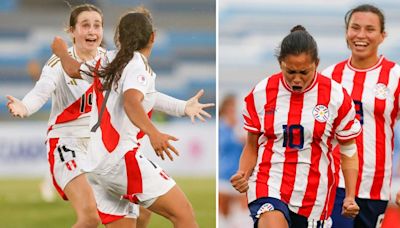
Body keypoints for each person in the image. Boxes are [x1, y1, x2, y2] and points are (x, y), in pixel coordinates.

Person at [51, 8, 202, 228]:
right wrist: (154, 133)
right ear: (153, 37)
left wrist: (62, 52)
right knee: (184, 214)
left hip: (94, 163)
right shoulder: (138, 64)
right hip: (119, 159)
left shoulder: (107, 60)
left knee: (139, 218)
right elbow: (132, 100)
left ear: (118, 37)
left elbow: (73, 70)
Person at [230, 25, 361, 228]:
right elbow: (252, 146)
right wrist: (242, 173)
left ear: (316, 64)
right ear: (280, 63)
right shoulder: (261, 93)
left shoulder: (336, 96)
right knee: (272, 221)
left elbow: (349, 149)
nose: (297, 79)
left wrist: (350, 196)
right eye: (290, 71)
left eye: (304, 72)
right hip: (269, 182)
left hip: (315, 193)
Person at [322, 4, 400, 227]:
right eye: (355, 28)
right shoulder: (330, 77)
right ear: (346, 32)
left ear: (382, 36)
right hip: (334, 184)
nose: (361, 35)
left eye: (370, 29)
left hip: (375, 186)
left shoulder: (395, 76)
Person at [218, 94, 250, 228]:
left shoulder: (242, 127)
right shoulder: (222, 127)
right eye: (231, 108)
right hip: (224, 173)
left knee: (245, 209)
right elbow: (222, 145)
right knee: (223, 210)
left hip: (240, 173)